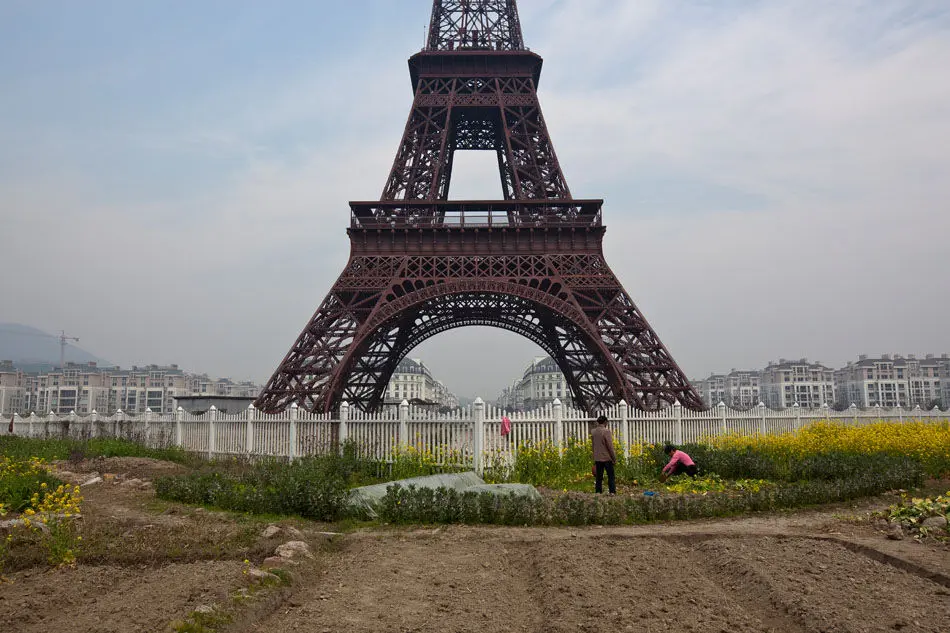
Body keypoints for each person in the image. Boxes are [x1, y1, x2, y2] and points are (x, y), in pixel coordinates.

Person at [591, 415, 617, 494]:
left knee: (599, 477)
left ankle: (598, 492)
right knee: (611, 476)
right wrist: (614, 458)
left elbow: (593, 445)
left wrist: (594, 456)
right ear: (605, 422)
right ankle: (612, 492)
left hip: (597, 458)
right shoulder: (606, 431)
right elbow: (610, 446)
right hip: (607, 458)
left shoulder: (593, 432)